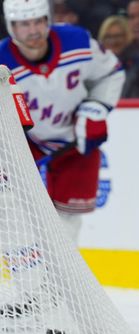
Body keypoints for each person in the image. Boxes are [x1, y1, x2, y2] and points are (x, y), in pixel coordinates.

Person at [0, 0, 125, 242]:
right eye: (24, 24)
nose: (34, 30)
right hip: (27, 144)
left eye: (38, 21)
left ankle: (60, 278)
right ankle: (30, 275)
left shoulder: (76, 41)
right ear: (11, 26)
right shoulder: (2, 62)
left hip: (73, 142)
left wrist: (96, 108)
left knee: (67, 223)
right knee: (13, 213)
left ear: (48, 19)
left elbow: (111, 73)